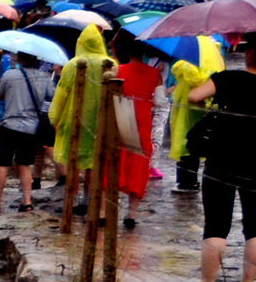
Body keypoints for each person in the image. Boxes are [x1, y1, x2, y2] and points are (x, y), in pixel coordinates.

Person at [182, 34, 256, 282]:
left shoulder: (228, 78)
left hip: (222, 157)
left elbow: (194, 95)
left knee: (216, 223)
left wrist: (208, 104)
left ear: (250, 53)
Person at [49, 22, 116, 219]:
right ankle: (90, 202)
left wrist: (54, 117)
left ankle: (71, 203)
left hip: (75, 120)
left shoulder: (72, 65)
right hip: (102, 122)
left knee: (74, 163)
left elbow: (62, 94)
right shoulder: (111, 64)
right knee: (95, 164)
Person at [112, 36, 167, 230]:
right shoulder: (155, 74)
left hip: (121, 122)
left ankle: (106, 210)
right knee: (138, 165)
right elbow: (160, 102)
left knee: (116, 164)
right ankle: (131, 213)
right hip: (143, 124)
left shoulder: (117, 71)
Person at [0, 58, 49, 214]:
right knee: (24, 164)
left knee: (3, 163)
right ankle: (27, 202)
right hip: (31, 127)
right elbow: (51, 96)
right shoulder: (44, 77)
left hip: (9, 124)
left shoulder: (10, 74)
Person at [170, 36, 227, 194]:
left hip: (189, 105)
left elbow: (195, 76)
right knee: (193, 140)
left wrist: (181, 66)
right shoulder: (213, 52)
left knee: (186, 141)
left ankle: (186, 182)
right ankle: (188, 180)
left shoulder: (192, 59)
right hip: (198, 103)